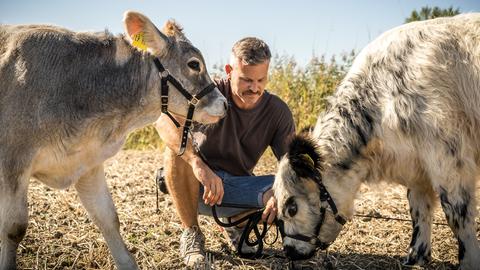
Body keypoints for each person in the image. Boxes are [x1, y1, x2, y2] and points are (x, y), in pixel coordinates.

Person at [155, 37, 295, 267]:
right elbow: (164, 121)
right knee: (177, 151)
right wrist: (197, 163)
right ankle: (192, 235)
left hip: (239, 190)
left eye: (261, 79)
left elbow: (292, 165)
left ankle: (237, 223)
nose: (255, 87)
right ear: (229, 70)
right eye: (247, 80)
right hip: (195, 188)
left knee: (291, 191)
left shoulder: (278, 111)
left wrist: (282, 191)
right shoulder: (208, 93)